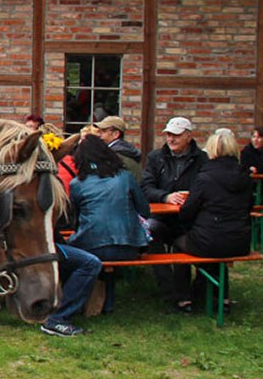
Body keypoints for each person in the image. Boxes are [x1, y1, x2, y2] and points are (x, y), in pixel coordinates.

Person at [169, 129, 252, 312]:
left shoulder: (205, 177)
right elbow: (248, 207)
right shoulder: (245, 177)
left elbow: (188, 211)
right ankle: (222, 298)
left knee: (179, 243)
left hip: (210, 239)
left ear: (212, 151)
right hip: (240, 241)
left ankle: (183, 298)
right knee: (215, 249)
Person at [67, 135, 150, 312]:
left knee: (70, 252)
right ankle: (108, 303)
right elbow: (144, 210)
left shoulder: (77, 184)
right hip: (129, 247)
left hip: (92, 247)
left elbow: (75, 220)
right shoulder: (125, 177)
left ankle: (80, 304)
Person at [140, 116, 207, 303]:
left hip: (190, 220)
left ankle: (195, 291)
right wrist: (165, 197)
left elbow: (206, 188)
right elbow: (145, 187)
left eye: (176, 135)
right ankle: (169, 290)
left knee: (206, 238)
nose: (171, 139)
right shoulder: (156, 157)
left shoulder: (202, 159)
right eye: (168, 134)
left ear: (188, 136)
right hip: (162, 219)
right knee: (150, 230)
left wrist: (191, 196)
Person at [40, 243, 102, 337]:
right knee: (91, 263)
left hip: (45, 244)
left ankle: (55, 313)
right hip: (41, 246)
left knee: (83, 260)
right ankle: (56, 319)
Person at [93, 115, 142, 181]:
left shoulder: (115, 155)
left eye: (104, 131)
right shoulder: (124, 151)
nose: (99, 135)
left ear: (116, 134)